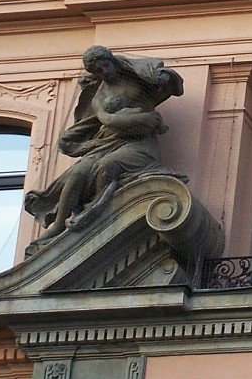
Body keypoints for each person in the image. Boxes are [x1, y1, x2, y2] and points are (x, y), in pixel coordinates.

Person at [24, 47, 184, 252]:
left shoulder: (137, 75)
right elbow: (109, 119)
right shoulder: (99, 97)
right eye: (98, 71)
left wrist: (163, 77)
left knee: (106, 167)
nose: (104, 73)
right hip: (108, 143)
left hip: (138, 144)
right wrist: (141, 117)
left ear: (112, 61)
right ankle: (58, 226)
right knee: (78, 173)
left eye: (105, 67)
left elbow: (174, 84)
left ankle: (97, 216)